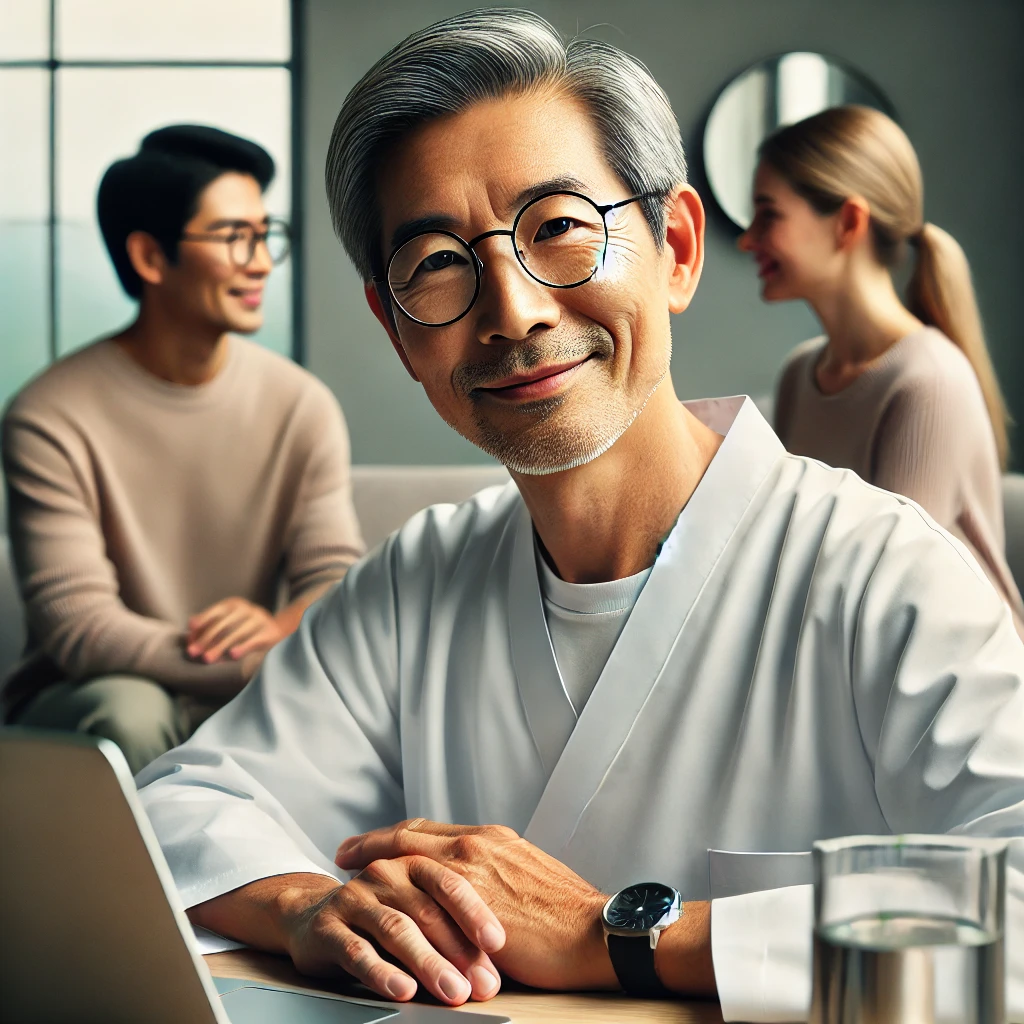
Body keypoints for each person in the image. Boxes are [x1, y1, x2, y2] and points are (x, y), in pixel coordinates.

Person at [136, 13, 1024, 1022]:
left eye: (558, 225)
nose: (510, 309)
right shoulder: (415, 577)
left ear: (676, 248)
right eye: (435, 261)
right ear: (393, 327)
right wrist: (309, 905)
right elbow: (177, 809)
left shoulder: (879, 571)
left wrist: (620, 929)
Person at [2, 125, 364, 774]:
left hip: (242, 691)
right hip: (88, 702)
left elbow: (333, 583)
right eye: (233, 238)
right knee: (131, 711)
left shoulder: (300, 405)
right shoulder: (48, 415)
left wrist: (279, 629)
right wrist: (258, 663)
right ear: (149, 257)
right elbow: (80, 629)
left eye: (264, 235)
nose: (259, 262)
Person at [738, 105, 1023, 634]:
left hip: (950, 698)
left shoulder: (928, 382)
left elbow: (886, 597)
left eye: (768, 214)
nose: (747, 238)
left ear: (847, 222)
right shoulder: (800, 374)